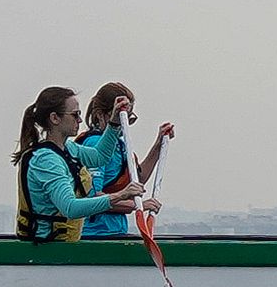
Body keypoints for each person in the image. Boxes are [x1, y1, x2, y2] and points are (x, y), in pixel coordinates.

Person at [15, 86, 149, 241]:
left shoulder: (69, 148)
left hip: (64, 243)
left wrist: (113, 122)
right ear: (55, 118)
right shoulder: (46, 160)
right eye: (75, 115)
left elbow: (100, 157)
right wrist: (120, 195)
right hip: (47, 245)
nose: (80, 120)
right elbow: (70, 208)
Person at [73, 82, 172, 242]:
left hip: (115, 232)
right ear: (100, 115)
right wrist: (138, 206)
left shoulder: (120, 144)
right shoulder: (94, 145)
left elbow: (137, 179)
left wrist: (159, 145)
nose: (124, 125)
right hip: (94, 235)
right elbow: (92, 197)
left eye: (129, 119)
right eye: (121, 118)